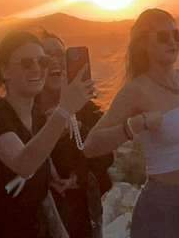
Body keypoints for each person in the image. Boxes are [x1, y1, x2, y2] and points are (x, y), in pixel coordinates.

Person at [84, 9, 179, 238]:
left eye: (177, 34)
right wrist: (135, 125)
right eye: (163, 36)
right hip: (162, 208)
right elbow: (91, 145)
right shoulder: (136, 91)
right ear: (143, 43)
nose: (173, 42)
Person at [0, 30, 95, 238]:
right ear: (5, 70)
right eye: (27, 63)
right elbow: (24, 163)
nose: (37, 68)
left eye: (42, 62)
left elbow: (41, 192)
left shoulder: (36, 118)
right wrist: (64, 110)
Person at [35, 30, 115, 238]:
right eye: (46, 55)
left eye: (61, 54)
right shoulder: (25, 115)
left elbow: (105, 158)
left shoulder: (87, 110)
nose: (55, 60)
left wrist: (76, 129)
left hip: (81, 219)